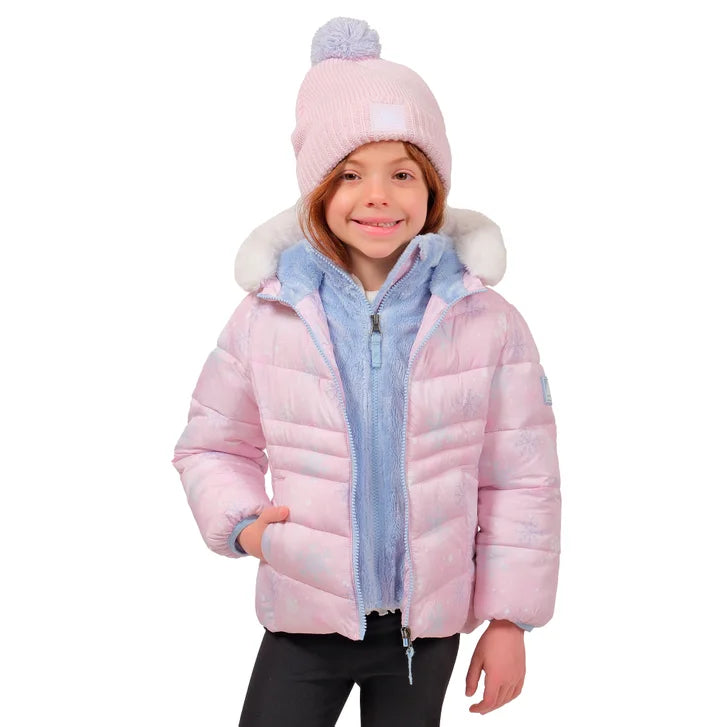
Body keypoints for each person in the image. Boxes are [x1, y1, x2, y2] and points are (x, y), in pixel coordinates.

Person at [171, 16, 561, 727]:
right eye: (350, 174)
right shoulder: (268, 316)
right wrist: (244, 526)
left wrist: (509, 619)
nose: (377, 195)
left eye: (402, 173)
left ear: (432, 188)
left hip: (425, 631)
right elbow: (210, 445)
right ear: (318, 190)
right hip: (304, 613)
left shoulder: (486, 321)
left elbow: (521, 476)